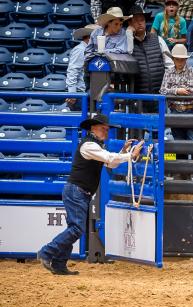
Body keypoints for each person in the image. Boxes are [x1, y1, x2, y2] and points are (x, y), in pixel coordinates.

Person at [37, 115, 144, 275]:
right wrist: (130, 155)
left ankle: (59, 264)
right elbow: (109, 158)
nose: (106, 132)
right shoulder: (89, 145)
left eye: (107, 129)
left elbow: (111, 162)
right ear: (93, 128)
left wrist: (123, 152)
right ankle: (47, 252)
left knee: (74, 228)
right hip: (77, 191)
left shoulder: (94, 146)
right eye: (103, 128)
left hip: (78, 191)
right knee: (76, 229)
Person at [160, 44, 193, 171]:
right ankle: (182, 171)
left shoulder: (192, 71)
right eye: (177, 59)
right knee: (178, 141)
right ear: (173, 59)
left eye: (182, 59)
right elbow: (162, 91)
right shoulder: (168, 72)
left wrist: (173, 91)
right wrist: (178, 90)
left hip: (189, 109)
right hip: (175, 109)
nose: (180, 62)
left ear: (186, 60)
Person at [65, 24, 99, 110]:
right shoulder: (80, 50)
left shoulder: (86, 50)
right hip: (81, 95)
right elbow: (72, 71)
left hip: (85, 93)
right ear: (90, 37)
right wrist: (72, 94)